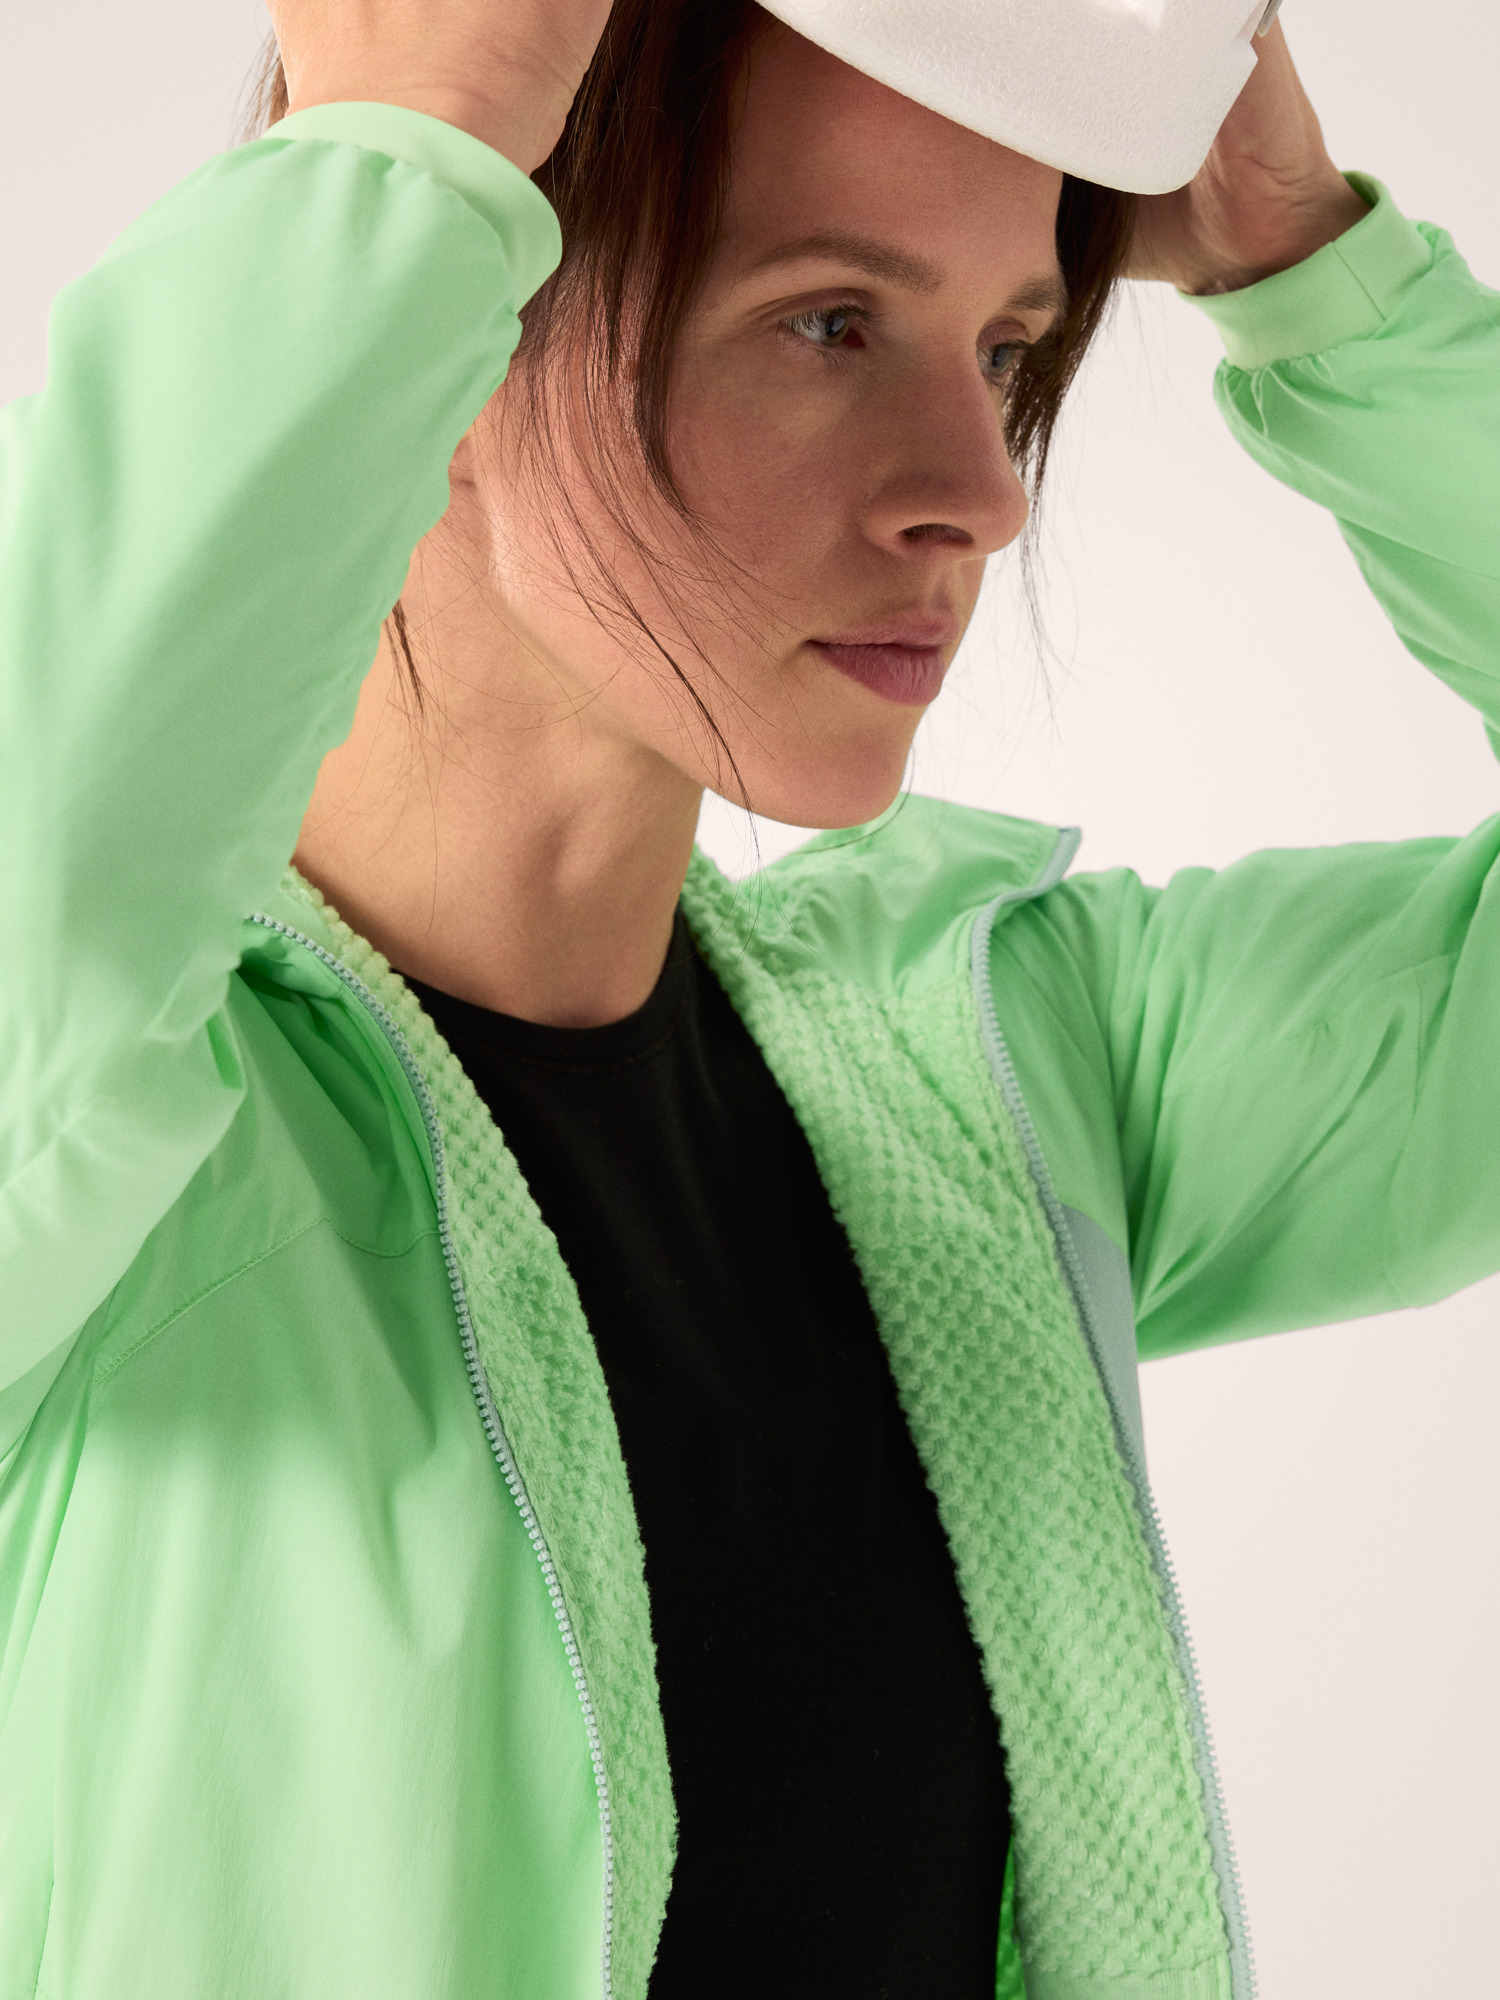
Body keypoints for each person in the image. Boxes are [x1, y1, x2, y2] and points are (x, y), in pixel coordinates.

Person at [1, 0, 1494, 1994]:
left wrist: (1315, 272)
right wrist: (396, 163)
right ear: (449, 328)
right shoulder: (102, 1146)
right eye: (828, 323)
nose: (981, 490)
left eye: (1005, 349)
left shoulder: (997, 1083)